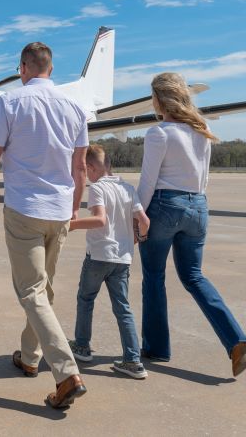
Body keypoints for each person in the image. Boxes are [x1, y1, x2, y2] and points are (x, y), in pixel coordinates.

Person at [0, 41, 90, 409]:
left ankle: (66, 373)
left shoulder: (9, 102)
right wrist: (73, 208)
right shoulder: (75, 107)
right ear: (50, 69)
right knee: (44, 289)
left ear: (23, 68)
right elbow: (80, 167)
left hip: (24, 209)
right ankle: (29, 356)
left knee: (32, 291)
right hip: (59, 211)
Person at [137, 72, 246, 377]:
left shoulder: (158, 133)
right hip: (198, 205)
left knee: (154, 277)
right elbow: (203, 177)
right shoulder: (203, 129)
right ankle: (235, 339)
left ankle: (156, 347)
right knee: (194, 277)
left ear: (159, 99)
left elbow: (148, 182)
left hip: (164, 206)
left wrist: (136, 214)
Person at [68, 144, 151, 379]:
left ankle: (82, 346)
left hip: (98, 256)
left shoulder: (97, 189)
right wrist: (135, 240)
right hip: (122, 259)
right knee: (123, 308)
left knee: (86, 299)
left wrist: (69, 225)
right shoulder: (127, 188)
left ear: (91, 168)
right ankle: (133, 361)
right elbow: (144, 221)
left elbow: (100, 220)